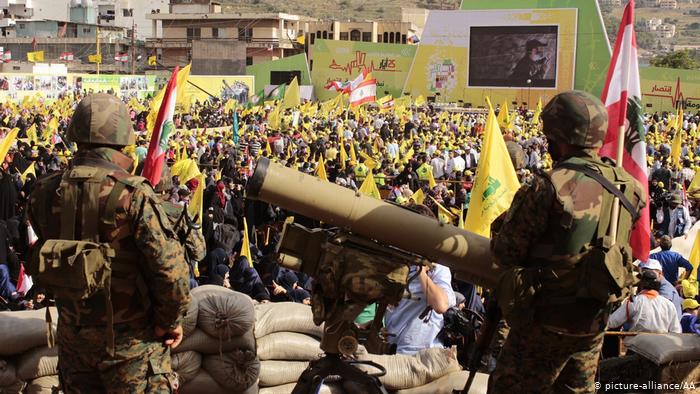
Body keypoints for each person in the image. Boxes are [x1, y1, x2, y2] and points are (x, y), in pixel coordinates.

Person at [27, 93, 191, 392]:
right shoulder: (134, 195)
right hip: (132, 348)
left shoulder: (44, 191)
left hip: (74, 342)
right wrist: (169, 321)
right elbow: (170, 272)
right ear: (123, 137)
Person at [488, 91, 645, 393]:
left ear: (555, 135)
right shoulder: (630, 188)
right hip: (592, 325)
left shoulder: (547, 186)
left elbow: (505, 252)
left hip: (542, 323)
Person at [607, 271, 681, 334]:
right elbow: (676, 331)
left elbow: (612, 322)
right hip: (661, 348)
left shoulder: (634, 302)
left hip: (637, 347)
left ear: (641, 285)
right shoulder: (669, 304)